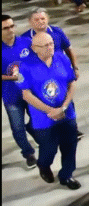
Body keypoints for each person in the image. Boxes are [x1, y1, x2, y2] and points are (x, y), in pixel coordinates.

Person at [17, 33, 81, 190]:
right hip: (43, 118)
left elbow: (71, 83)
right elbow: (26, 95)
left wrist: (64, 107)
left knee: (70, 145)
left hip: (66, 114)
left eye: (51, 43)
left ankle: (66, 175)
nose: (50, 47)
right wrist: (51, 110)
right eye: (45, 45)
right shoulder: (25, 66)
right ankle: (43, 165)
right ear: (34, 48)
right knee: (49, 148)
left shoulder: (62, 58)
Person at [2, 15, 37, 169]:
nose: (10, 30)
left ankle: (35, 131)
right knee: (17, 127)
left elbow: (38, 62)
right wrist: (11, 77)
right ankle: (28, 153)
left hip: (30, 93)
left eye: (12, 26)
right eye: (5, 28)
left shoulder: (26, 43)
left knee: (38, 119)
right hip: (11, 95)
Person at [22, 8, 80, 79]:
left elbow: (68, 50)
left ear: (48, 19)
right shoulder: (24, 38)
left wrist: (75, 68)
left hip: (60, 70)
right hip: (39, 74)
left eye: (43, 19)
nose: (40, 21)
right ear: (30, 22)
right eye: (36, 20)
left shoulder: (57, 31)